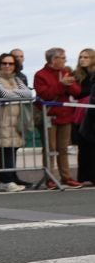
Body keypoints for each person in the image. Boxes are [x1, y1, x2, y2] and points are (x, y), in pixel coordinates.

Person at [33, 47, 83, 188]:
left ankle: (66, 177)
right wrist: (61, 84)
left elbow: (77, 91)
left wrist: (69, 84)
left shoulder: (65, 72)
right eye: (63, 58)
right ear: (54, 60)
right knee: (50, 148)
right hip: (49, 115)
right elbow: (45, 95)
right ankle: (49, 178)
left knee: (63, 148)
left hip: (65, 116)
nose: (65, 60)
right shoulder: (40, 75)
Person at [0, 53, 34, 192]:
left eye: (11, 63)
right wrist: (17, 94)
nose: (7, 66)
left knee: (14, 148)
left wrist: (13, 92)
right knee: (5, 149)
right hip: (2, 118)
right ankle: (6, 179)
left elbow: (28, 94)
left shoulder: (16, 79)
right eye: (4, 63)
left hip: (16, 119)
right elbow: (3, 94)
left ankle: (13, 176)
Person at [75, 48, 95, 185]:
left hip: (92, 113)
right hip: (81, 114)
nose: (82, 59)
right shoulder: (77, 75)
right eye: (81, 57)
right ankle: (83, 177)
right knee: (83, 146)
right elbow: (77, 93)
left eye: (86, 57)